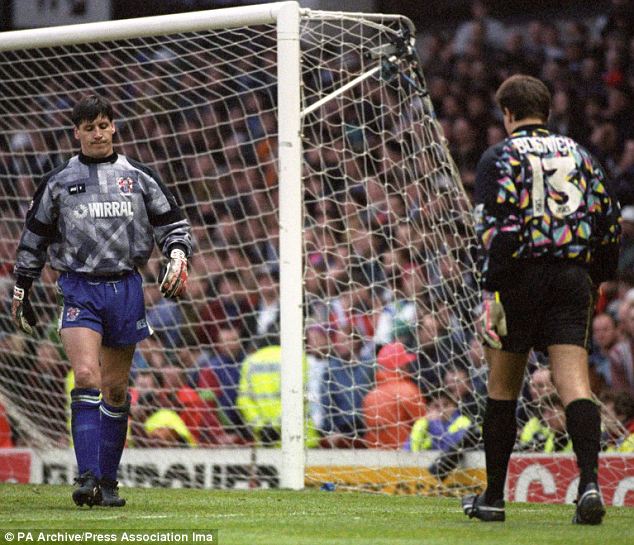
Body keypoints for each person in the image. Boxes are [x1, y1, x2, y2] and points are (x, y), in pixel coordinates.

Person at [11, 95, 192, 507]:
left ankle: (107, 482)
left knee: (114, 389)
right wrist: (22, 285)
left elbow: (173, 225)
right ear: (76, 133)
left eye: (103, 125)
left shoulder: (139, 177)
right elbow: (34, 237)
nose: (97, 133)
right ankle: (87, 474)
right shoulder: (58, 181)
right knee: (86, 376)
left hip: (126, 287)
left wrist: (178, 254)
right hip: (79, 288)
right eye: (88, 127)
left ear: (114, 127)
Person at [462, 75, 621, 525]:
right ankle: (590, 485)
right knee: (575, 384)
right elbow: (608, 223)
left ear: (507, 114)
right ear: (546, 112)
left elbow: (495, 229)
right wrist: (597, 277)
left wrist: (493, 287)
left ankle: (493, 498)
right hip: (572, 278)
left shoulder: (501, 156)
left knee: (503, 389)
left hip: (520, 277)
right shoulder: (581, 155)